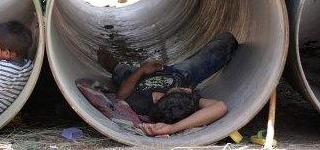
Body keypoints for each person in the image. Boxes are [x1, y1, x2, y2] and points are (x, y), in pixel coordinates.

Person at [98, 32, 238, 136]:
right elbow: (220, 107)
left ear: (159, 98)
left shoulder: (142, 103)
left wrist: (142, 70)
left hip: (138, 78)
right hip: (181, 73)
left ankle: (114, 64)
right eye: (187, 91)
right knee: (226, 42)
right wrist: (173, 128)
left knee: (120, 72)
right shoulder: (186, 102)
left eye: (180, 90)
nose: (188, 90)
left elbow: (121, 95)